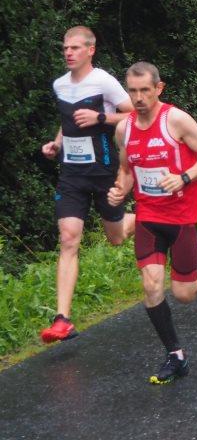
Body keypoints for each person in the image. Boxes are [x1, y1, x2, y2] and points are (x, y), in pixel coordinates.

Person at [106, 62, 197, 384]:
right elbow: (127, 170)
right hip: (148, 216)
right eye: (133, 91)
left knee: (185, 293)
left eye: (145, 90)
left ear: (159, 88)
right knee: (151, 285)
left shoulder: (175, 120)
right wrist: (120, 190)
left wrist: (183, 177)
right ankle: (176, 355)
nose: (139, 97)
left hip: (182, 216)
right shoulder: (124, 129)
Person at [40, 26, 135, 344]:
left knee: (116, 237)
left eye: (75, 48)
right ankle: (62, 319)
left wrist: (100, 119)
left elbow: (134, 115)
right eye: (65, 48)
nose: (68, 52)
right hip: (71, 174)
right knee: (68, 238)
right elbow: (66, 122)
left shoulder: (104, 81)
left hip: (103, 171)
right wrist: (56, 144)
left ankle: (154, 217)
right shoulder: (60, 85)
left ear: (90, 50)